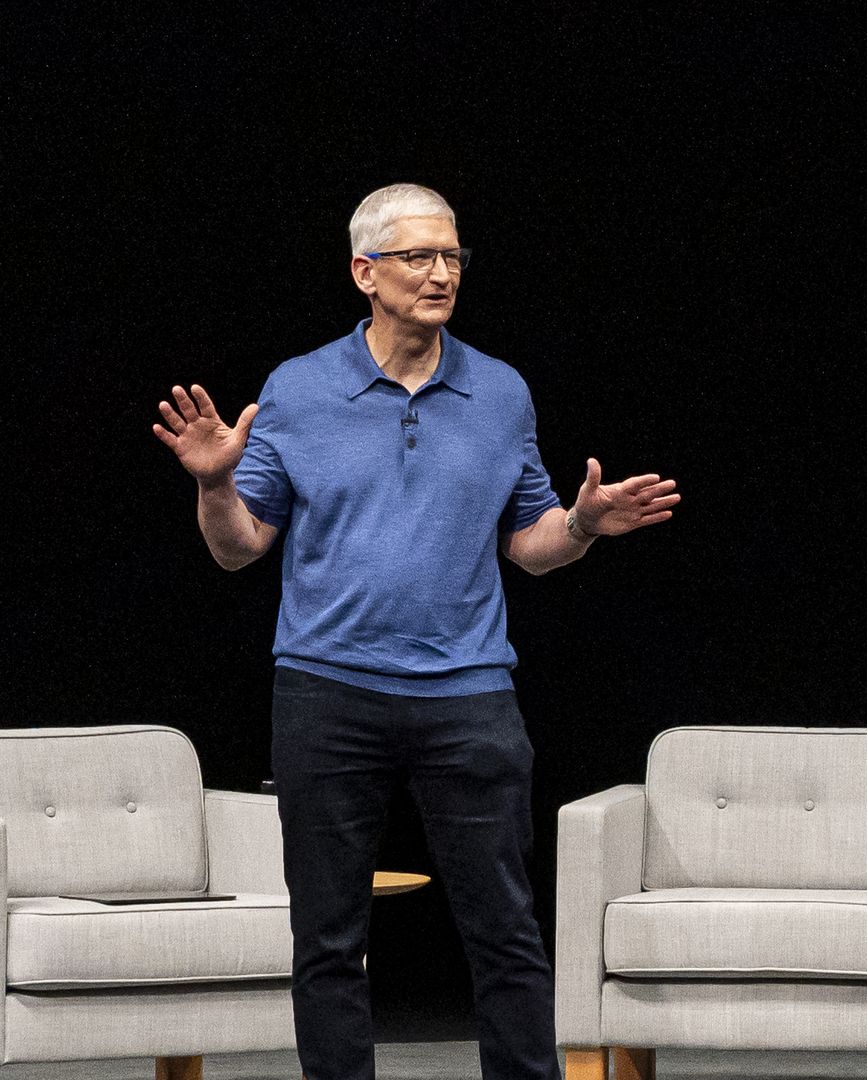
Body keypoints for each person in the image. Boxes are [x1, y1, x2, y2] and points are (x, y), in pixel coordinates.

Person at [151, 183, 679, 1080]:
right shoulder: (298, 388)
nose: (442, 275)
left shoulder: (500, 390)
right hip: (326, 693)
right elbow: (241, 550)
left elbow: (531, 545)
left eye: (453, 258)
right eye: (419, 258)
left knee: (506, 934)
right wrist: (211, 484)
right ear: (365, 272)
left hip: (469, 696)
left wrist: (584, 522)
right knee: (326, 939)